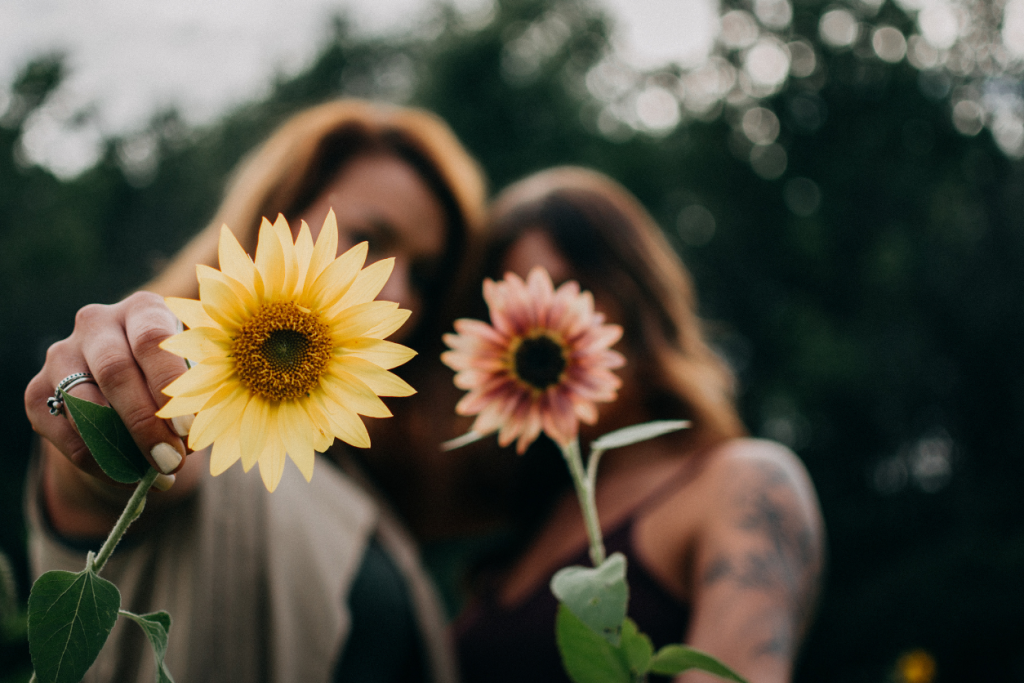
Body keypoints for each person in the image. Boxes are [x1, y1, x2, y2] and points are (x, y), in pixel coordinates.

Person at [23, 99, 486, 683]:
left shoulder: (348, 467)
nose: (395, 289)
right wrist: (104, 412)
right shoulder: (185, 403)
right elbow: (126, 475)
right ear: (277, 218)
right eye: (370, 237)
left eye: (424, 274)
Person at [453, 167, 825, 683]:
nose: (537, 328)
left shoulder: (742, 486)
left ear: (636, 295)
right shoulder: (531, 521)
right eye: (505, 314)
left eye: (565, 292)